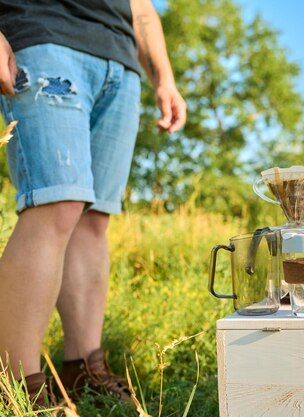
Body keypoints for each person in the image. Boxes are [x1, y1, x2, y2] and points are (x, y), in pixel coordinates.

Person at [0, 0, 186, 407]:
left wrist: (165, 79)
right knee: (56, 203)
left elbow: (141, 10)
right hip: (42, 35)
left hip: (119, 64)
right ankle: (17, 385)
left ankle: (84, 369)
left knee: (93, 218)